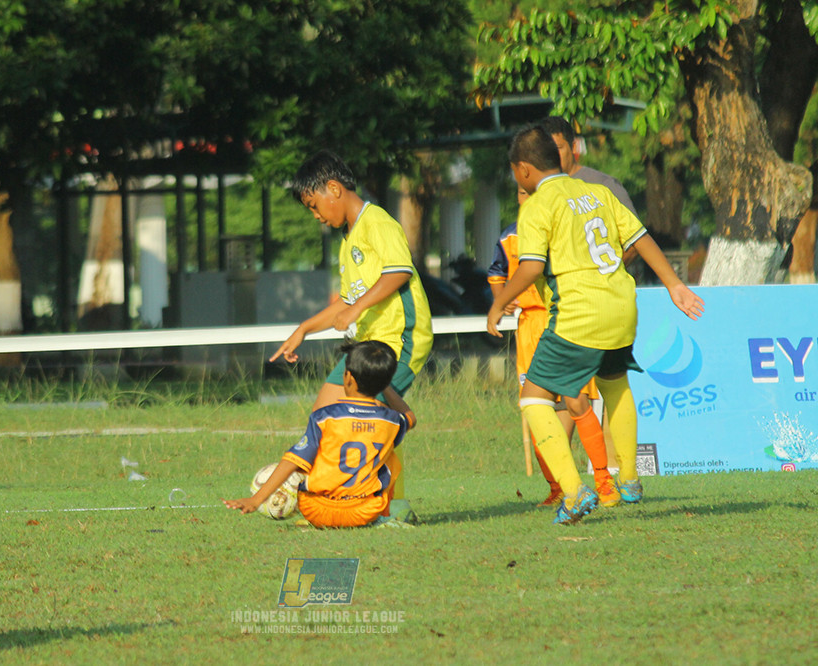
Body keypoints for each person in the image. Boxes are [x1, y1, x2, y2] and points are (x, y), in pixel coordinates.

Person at [486, 125, 704, 525]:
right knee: (615, 381)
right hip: (622, 306)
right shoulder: (597, 192)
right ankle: (631, 478)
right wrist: (675, 285)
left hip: (579, 314)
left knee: (534, 398)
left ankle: (572, 492)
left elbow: (532, 267)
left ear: (523, 170)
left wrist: (499, 301)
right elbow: (641, 237)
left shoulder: (536, 206)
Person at [269, 149, 433, 519]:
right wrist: (304, 329)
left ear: (334, 188)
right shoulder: (349, 239)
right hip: (369, 340)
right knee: (326, 416)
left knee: (377, 418)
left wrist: (356, 310)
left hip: (400, 339)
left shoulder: (377, 222)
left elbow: (398, 273)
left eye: (315, 206)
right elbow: (347, 301)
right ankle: (337, 497)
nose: (316, 216)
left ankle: (394, 508)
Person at [487, 186, 620, 508]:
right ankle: (559, 487)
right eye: (519, 192)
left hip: (567, 319)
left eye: (530, 192)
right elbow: (496, 272)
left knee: (575, 401)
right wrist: (502, 301)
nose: (526, 198)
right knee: (536, 408)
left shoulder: (564, 225)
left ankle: (603, 482)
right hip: (531, 328)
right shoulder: (509, 238)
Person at [224, 340, 414, 528]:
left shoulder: (324, 417)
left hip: (316, 510)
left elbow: (294, 460)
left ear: (348, 377)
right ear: (384, 381)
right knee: (390, 456)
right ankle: (384, 514)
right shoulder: (391, 420)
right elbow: (410, 417)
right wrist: (384, 385)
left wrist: (256, 500)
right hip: (364, 512)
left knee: (311, 456)